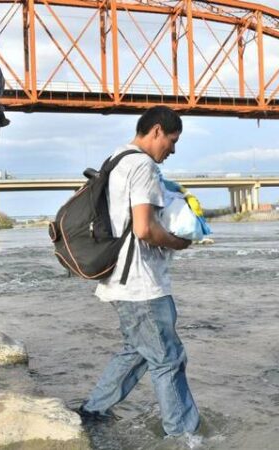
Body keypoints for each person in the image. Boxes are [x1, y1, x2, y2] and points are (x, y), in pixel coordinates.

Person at [78, 106, 200, 437]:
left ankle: (93, 411)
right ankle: (184, 436)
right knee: (168, 359)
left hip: (118, 278)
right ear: (157, 130)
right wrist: (176, 242)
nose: (172, 150)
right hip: (141, 283)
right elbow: (145, 229)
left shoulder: (116, 159)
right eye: (172, 141)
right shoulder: (142, 165)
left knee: (138, 351)